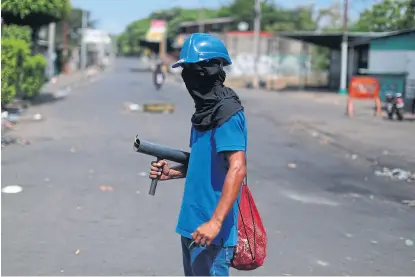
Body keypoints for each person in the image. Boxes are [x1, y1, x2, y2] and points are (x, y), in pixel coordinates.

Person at [149, 33, 247, 276]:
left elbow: (237, 168)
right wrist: (171, 172)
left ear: (212, 70)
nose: (188, 77)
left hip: (212, 232)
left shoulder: (227, 112)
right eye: (186, 70)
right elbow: (205, 163)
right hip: (191, 225)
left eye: (194, 69)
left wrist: (214, 223)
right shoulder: (204, 112)